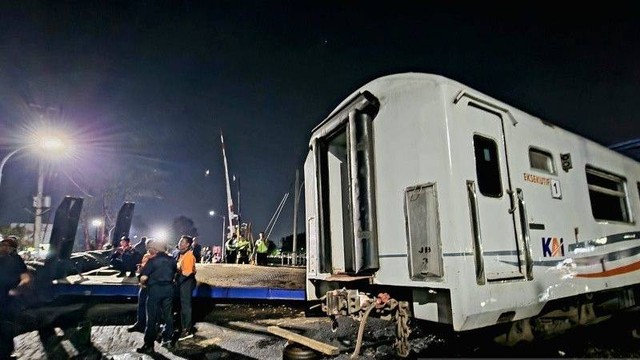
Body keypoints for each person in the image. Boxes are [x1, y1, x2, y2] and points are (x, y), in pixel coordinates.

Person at [136, 240, 177, 354]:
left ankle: (149, 345)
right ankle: (167, 338)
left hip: (155, 290)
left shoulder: (152, 260)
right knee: (168, 315)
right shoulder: (172, 260)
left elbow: (143, 277)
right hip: (169, 290)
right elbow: (174, 274)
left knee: (152, 318)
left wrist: (142, 283)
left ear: (157, 248)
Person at [0, 236, 31, 359]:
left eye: (8, 246)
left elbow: (25, 277)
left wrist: (18, 289)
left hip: (8, 300)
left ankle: (6, 353)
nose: (4, 248)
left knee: (7, 327)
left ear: (13, 249)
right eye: (3, 245)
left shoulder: (16, 260)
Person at [128, 238, 156, 333]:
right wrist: (140, 269)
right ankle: (140, 324)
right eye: (147, 246)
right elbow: (144, 268)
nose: (149, 248)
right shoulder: (146, 255)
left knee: (151, 308)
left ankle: (150, 328)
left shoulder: (158, 257)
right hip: (143, 284)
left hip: (152, 285)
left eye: (151, 246)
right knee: (141, 304)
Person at [175, 235, 197, 340]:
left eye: (182, 242)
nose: (179, 243)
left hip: (186, 282)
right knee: (182, 306)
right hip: (182, 282)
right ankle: (183, 326)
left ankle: (188, 330)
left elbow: (187, 273)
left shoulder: (188, 256)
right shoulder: (180, 255)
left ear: (188, 244)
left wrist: (176, 281)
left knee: (186, 306)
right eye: (179, 241)